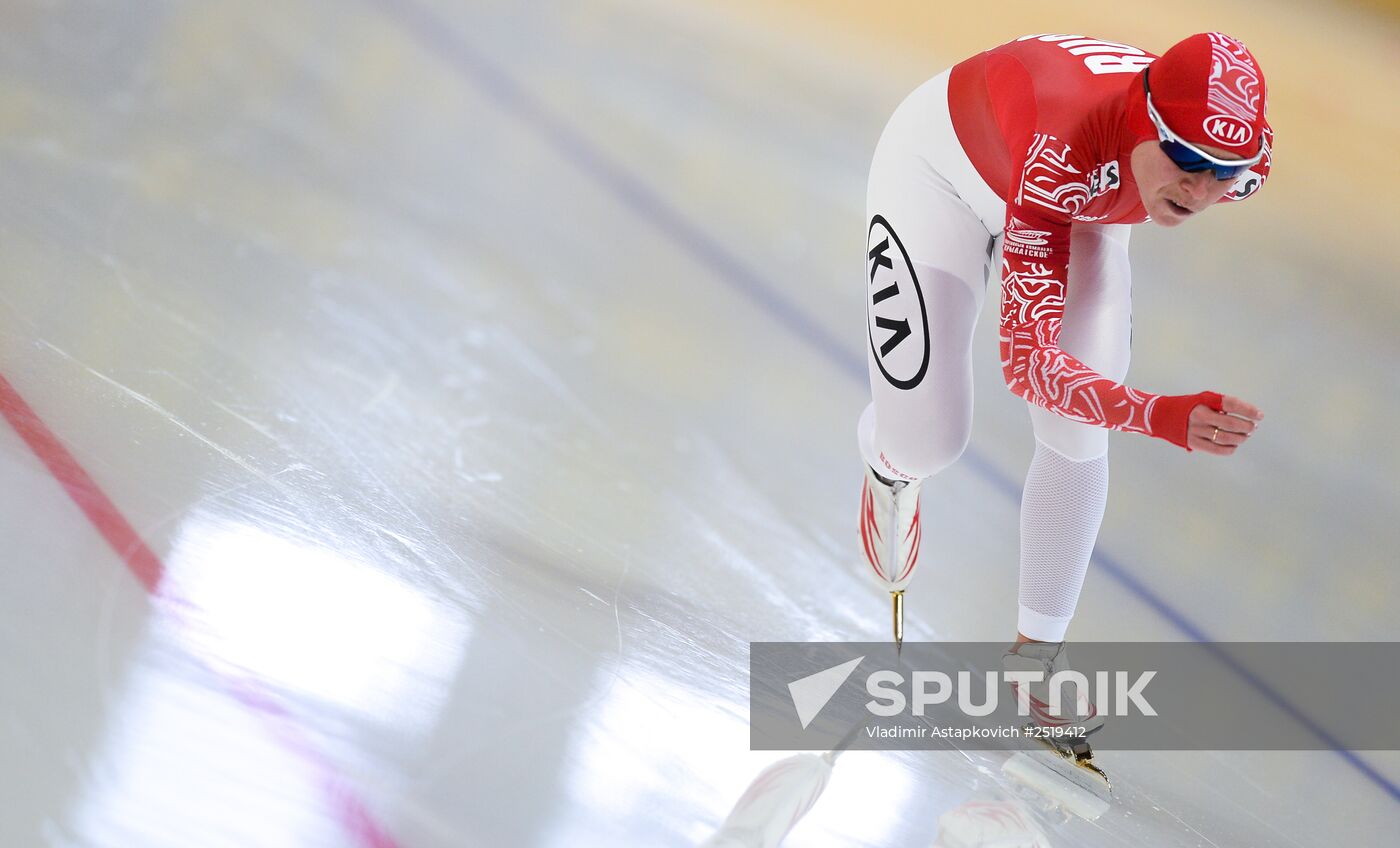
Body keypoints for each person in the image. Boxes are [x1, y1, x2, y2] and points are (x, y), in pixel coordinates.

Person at [857, 32, 1270, 737]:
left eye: (1222, 172)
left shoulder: (1241, 166)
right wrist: (1159, 415)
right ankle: (886, 462)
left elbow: (1201, 166)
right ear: (1146, 122)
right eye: (1187, 161)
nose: (1201, 191)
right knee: (928, 442)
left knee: (1082, 430)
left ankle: (1036, 659)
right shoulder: (1066, 142)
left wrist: (1189, 169)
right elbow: (1029, 365)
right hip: (946, 178)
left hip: (1083, 205)